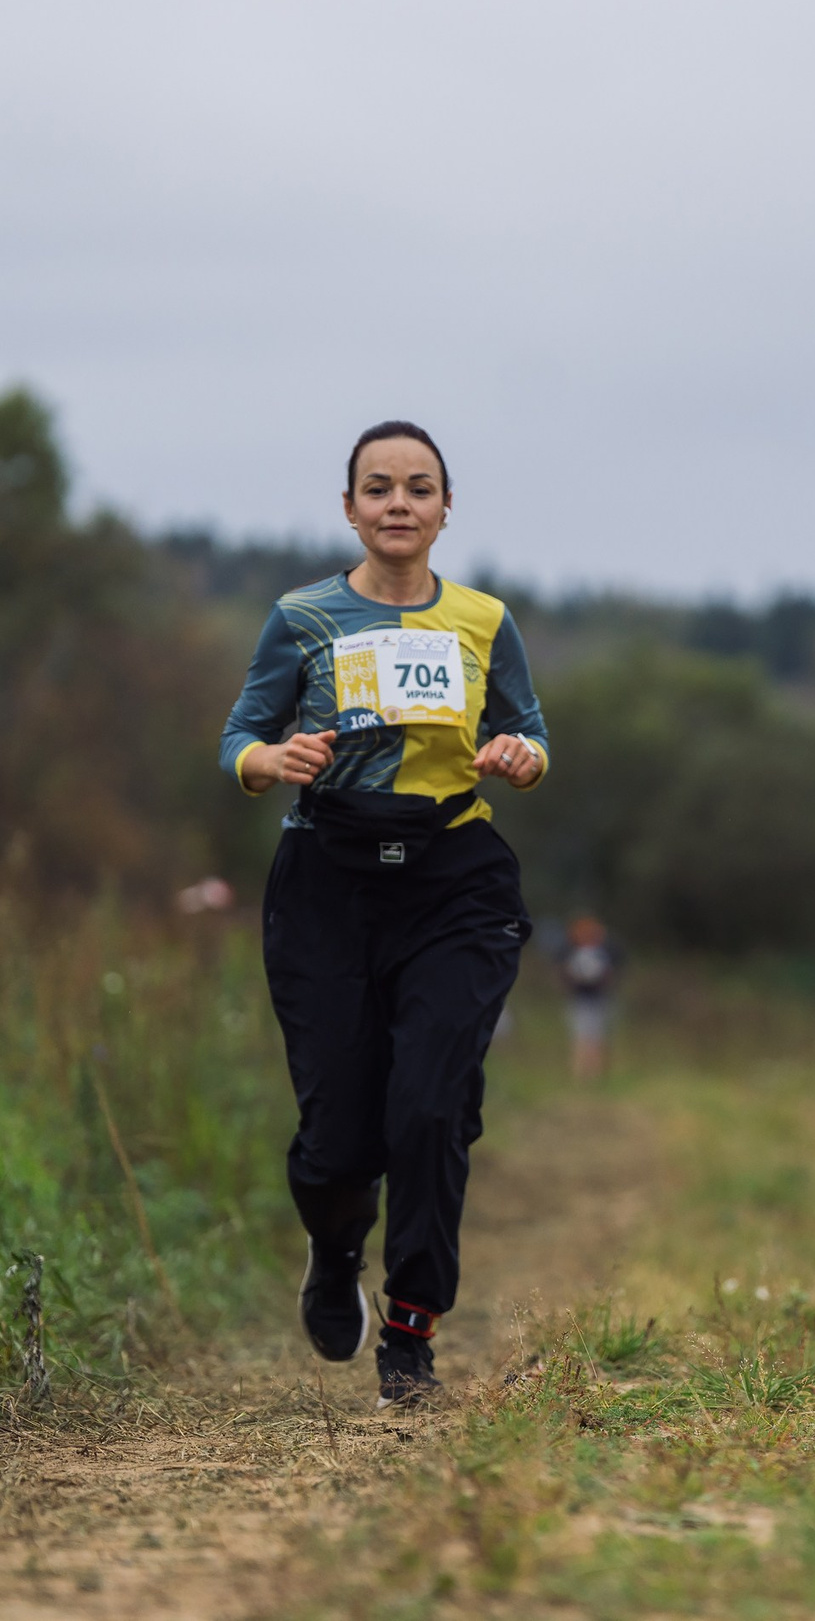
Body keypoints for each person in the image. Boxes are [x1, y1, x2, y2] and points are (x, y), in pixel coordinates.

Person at [219, 419, 549, 1407]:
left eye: (418, 488)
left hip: (454, 879)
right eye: (378, 488)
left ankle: (411, 1335)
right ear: (351, 509)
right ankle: (332, 1246)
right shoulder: (302, 617)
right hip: (328, 878)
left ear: (446, 510)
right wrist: (266, 762)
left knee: (428, 1107)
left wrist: (523, 758)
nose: (398, 503)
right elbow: (243, 730)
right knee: (336, 1139)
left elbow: (526, 729)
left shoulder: (484, 620)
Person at [558, 915, 619, 1081]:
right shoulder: (570, 951)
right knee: (579, 1036)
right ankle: (579, 1074)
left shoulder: (605, 952)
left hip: (599, 998)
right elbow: (565, 974)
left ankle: (595, 1074)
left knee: (597, 1036)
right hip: (578, 998)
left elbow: (612, 974)